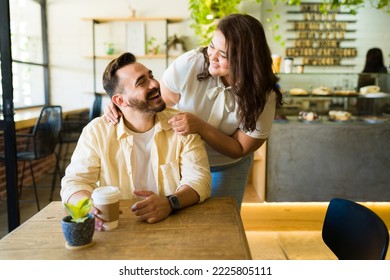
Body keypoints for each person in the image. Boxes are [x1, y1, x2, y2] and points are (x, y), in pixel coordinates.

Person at [104, 14, 283, 209]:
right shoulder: (191, 63)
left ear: (245, 59)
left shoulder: (264, 94)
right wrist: (124, 104)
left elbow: (240, 148)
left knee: (220, 225)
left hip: (227, 167)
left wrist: (200, 127)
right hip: (184, 162)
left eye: (223, 55)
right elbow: (157, 102)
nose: (212, 56)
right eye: (212, 46)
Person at [61, 52, 211, 229]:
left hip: (174, 222)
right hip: (118, 226)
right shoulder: (97, 131)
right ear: (119, 100)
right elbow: (75, 182)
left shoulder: (181, 124)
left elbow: (199, 179)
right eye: (142, 82)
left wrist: (170, 203)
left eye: (151, 76)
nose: (155, 84)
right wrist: (89, 206)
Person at [357, 48, 388, 115]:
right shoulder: (384, 73)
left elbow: (359, 93)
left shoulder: (364, 74)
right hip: (380, 108)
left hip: (365, 108)